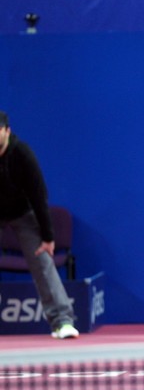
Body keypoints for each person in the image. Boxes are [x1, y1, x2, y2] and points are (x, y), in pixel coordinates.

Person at [0, 110, 79, 339]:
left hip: (23, 213)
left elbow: (38, 195)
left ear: (7, 130)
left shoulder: (22, 154)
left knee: (43, 262)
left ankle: (62, 321)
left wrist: (47, 236)